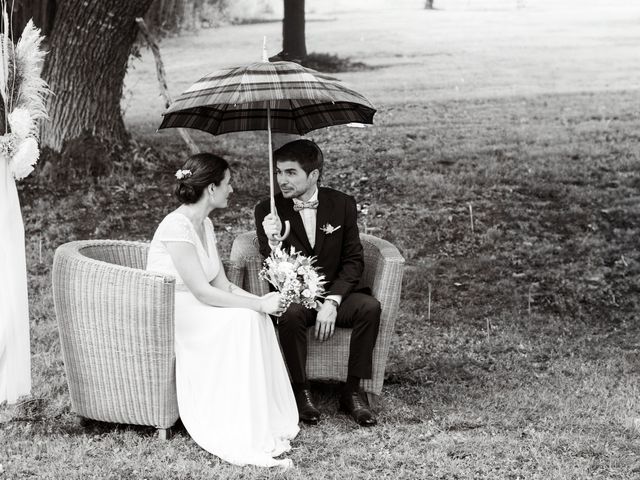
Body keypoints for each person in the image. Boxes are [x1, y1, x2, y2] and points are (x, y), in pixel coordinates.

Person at [146, 153, 299, 468]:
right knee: (244, 318)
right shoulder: (177, 226)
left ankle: (255, 414)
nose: (232, 190)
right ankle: (233, 420)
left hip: (201, 303)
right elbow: (202, 290)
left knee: (255, 318)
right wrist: (256, 303)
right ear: (211, 188)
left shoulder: (205, 223)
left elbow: (223, 284)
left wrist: (265, 302)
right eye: (228, 183)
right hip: (177, 312)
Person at [255, 139, 381, 427]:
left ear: (313, 176)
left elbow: (353, 261)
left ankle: (353, 392)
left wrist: (333, 301)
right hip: (296, 296)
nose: (281, 180)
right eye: (278, 172)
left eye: (290, 173)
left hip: (337, 293)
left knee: (369, 307)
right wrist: (273, 241)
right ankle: (301, 391)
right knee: (289, 312)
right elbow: (271, 264)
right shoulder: (268, 210)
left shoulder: (342, 204)